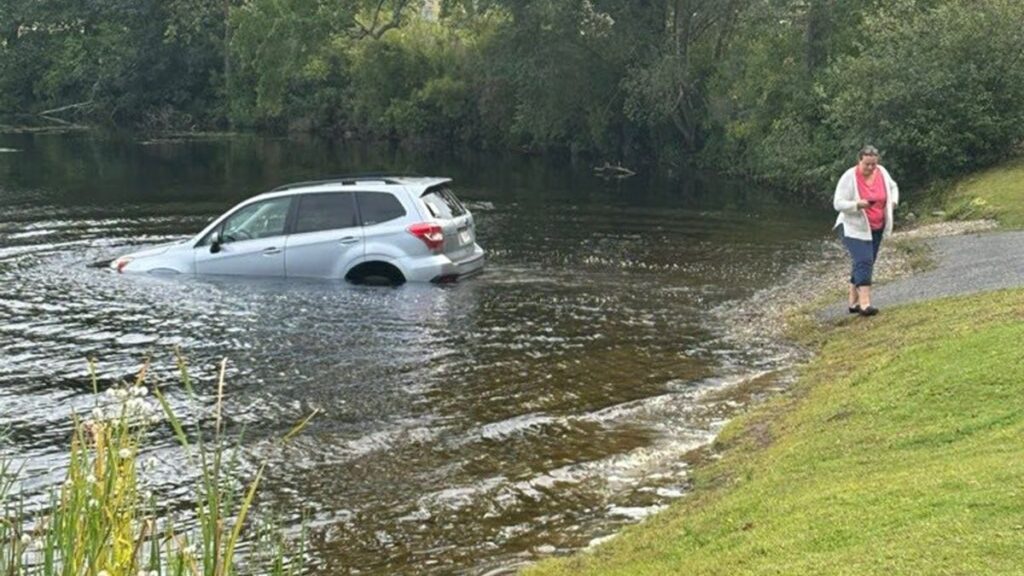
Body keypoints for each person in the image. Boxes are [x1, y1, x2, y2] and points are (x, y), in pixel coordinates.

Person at [833, 145, 899, 316]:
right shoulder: (849, 177)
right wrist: (857, 205)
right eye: (867, 164)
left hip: (876, 226)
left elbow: (893, 187)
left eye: (873, 164)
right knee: (864, 260)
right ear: (859, 161)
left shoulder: (882, 173)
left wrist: (893, 202)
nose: (870, 168)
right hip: (852, 228)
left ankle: (852, 303)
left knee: (865, 262)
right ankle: (865, 304)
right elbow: (838, 203)